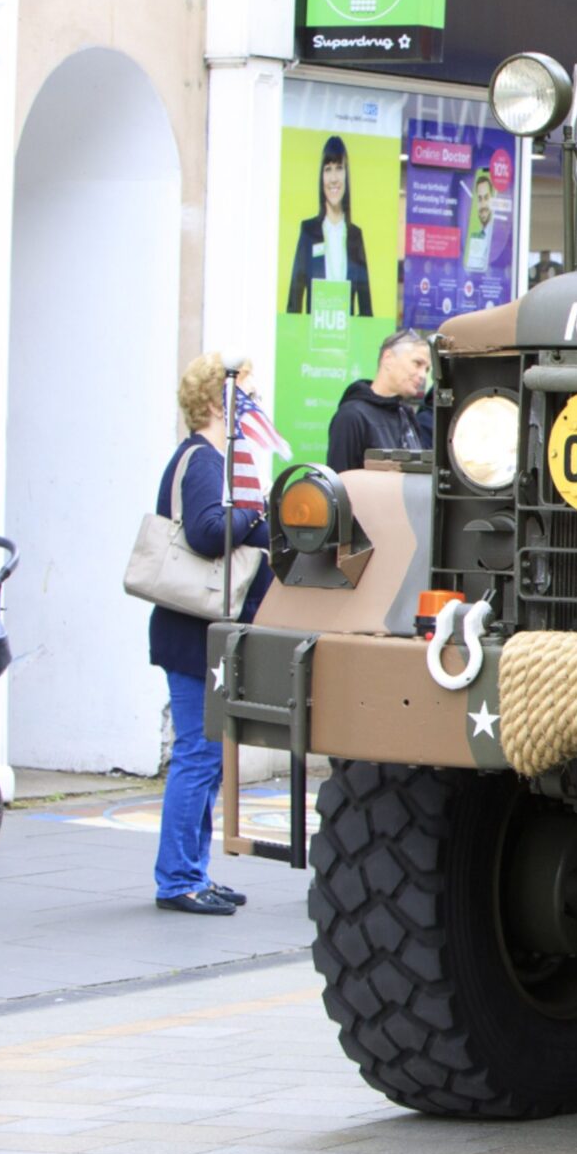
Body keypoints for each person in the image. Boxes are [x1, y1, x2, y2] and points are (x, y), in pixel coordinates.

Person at [150, 355, 273, 916]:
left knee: (207, 756)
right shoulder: (203, 460)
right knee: (198, 757)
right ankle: (177, 879)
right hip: (192, 635)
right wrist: (254, 512)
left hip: (201, 635)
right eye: (242, 396)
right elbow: (204, 533)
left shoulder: (213, 459)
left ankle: (192, 871)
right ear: (213, 403)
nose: (251, 406)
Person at [286, 134, 375, 317]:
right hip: (313, 341)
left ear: (346, 174)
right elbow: (294, 302)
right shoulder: (309, 231)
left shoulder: (355, 236)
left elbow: (366, 310)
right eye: (328, 169)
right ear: (321, 176)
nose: (333, 178)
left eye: (339, 168)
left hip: (347, 342)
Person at [326, 329, 434, 472]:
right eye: (417, 363)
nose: (422, 376)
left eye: (426, 369)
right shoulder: (351, 416)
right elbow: (339, 483)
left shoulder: (406, 415)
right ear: (388, 358)